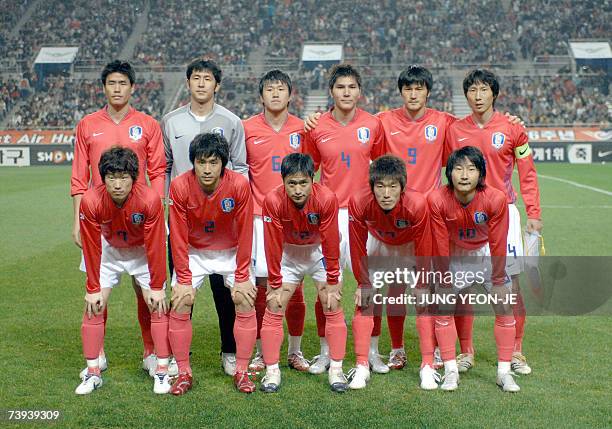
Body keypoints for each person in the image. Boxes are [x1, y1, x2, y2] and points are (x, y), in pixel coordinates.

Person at [71, 60, 166, 378]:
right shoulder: (87, 124)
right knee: (97, 290)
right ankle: (96, 354)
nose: (117, 88)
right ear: (104, 87)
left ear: (132, 87)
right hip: (99, 219)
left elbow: (157, 171)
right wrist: (77, 220)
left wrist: (158, 211)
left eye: (122, 83)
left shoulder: (148, 124)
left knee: (147, 291)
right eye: (111, 83)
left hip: (141, 217)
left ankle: (151, 352)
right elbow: (79, 177)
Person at [447, 69, 542, 375]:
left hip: (504, 216)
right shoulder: (453, 129)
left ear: (494, 93)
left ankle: (515, 350)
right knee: (461, 286)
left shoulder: (514, 129)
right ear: (466, 96)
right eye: (472, 90)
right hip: (463, 215)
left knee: (510, 284)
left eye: (484, 89)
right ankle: (466, 351)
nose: (477, 96)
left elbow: (527, 174)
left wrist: (534, 214)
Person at [161, 58, 248, 376]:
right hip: (184, 219)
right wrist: (165, 203)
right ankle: (175, 357)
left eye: (207, 78)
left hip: (223, 222)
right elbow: (165, 165)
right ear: (188, 83)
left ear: (217, 85)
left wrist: (237, 205)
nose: (201, 83)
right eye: (195, 78)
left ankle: (229, 351)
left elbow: (240, 166)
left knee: (225, 293)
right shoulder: (170, 121)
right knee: (182, 289)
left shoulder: (231, 121)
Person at [303, 63, 387, 374]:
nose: (346, 92)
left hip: (366, 217)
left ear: (360, 92)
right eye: (341, 87)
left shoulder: (373, 125)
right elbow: (306, 173)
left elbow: (383, 169)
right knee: (327, 285)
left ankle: (373, 351)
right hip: (328, 217)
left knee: (372, 286)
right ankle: (326, 351)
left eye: (352, 87)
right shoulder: (316, 127)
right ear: (331, 92)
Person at [75, 147, 171, 395]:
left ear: (134, 177)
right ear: (103, 177)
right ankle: (93, 372)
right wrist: (93, 288)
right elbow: (92, 247)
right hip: (109, 250)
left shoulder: (149, 200)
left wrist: (158, 286)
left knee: (157, 304)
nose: (117, 184)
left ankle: (160, 368)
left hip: (142, 250)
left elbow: (157, 247)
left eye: (124, 178)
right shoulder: (91, 200)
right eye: (111, 178)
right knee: (94, 305)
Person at [168, 132, 256, 395]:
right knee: (181, 301)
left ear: (223, 164)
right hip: (194, 252)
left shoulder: (239, 185)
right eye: (201, 162)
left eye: (213, 162)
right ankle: (183, 372)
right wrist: (183, 279)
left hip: (230, 251)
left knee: (243, 298)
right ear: (192, 162)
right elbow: (178, 235)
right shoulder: (180, 186)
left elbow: (246, 233)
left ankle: (241, 370)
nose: (207, 169)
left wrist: (241, 275)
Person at [428, 146, 520, 392]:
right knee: (443, 310)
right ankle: (450, 371)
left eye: (471, 169)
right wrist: (444, 279)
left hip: (486, 254)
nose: (465, 175)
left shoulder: (496, 199)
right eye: (458, 169)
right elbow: (438, 242)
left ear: (481, 174)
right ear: (450, 173)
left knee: (505, 308)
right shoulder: (437, 199)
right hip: (454, 254)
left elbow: (498, 241)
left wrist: (499, 279)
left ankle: (504, 372)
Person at [259, 153, 348, 393]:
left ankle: (336, 369)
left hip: (318, 251)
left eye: (303, 183)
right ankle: (272, 372)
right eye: (292, 183)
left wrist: (331, 279)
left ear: (312, 180)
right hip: (288, 254)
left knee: (331, 302)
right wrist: (275, 281)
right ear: (283, 182)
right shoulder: (273, 200)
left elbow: (330, 239)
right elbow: (272, 242)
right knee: (275, 304)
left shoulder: (326, 198)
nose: (298, 190)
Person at [348, 155, 434, 390]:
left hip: (410, 247)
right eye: (380, 186)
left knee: (422, 300)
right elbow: (357, 244)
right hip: (379, 244)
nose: (386, 193)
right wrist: (362, 281)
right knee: (366, 300)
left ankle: (427, 365)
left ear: (402, 187)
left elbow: (425, 244)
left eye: (393, 186)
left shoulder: (417, 204)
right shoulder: (358, 201)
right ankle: (363, 364)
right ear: (372, 186)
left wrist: (423, 282)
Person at [243, 70, 309, 373]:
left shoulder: (304, 129)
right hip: (258, 218)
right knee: (261, 285)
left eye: (281, 89)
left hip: (295, 218)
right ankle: (261, 351)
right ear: (261, 95)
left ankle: (295, 351)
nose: (275, 94)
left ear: (290, 94)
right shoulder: (246, 129)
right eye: (269, 89)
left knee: (296, 286)